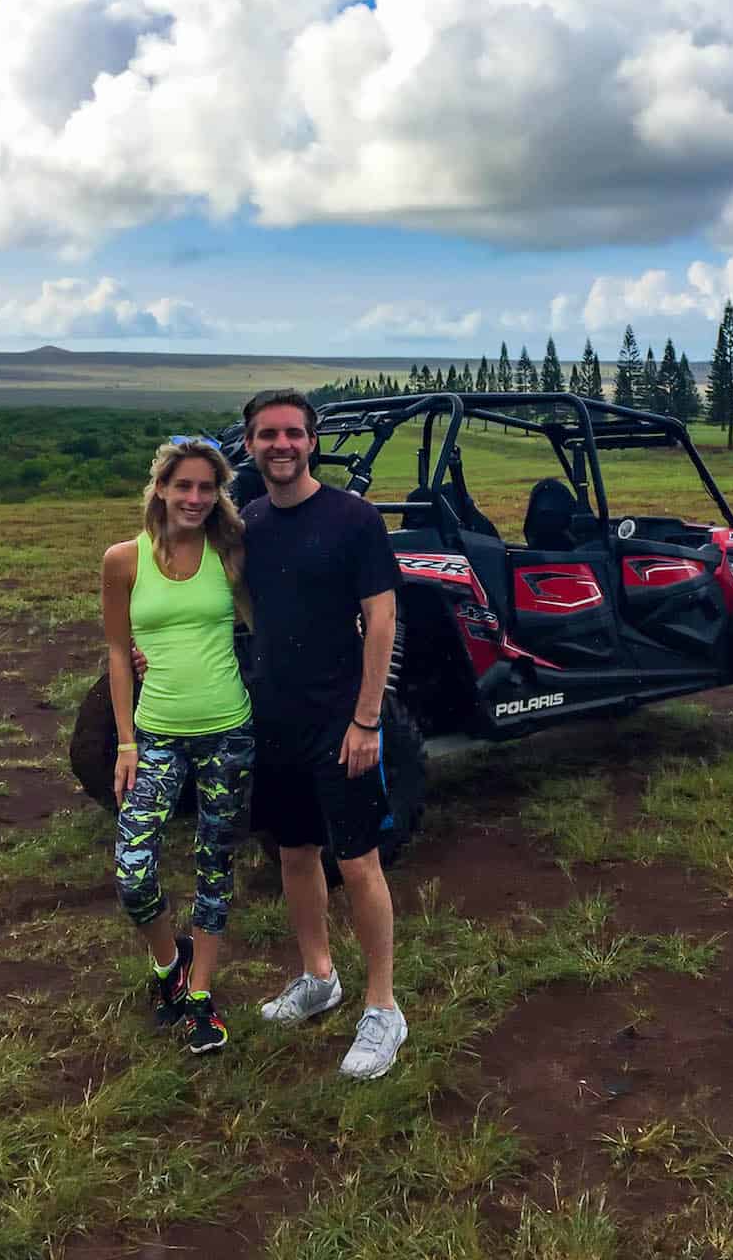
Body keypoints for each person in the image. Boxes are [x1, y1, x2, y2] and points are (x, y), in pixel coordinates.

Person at [241, 388, 406, 1080]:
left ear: (312, 442)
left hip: (341, 725)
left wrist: (367, 719)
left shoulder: (353, 518)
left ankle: (383, 1009)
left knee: (358, 860)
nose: (280, 445)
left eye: (292, 434)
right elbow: (239, 606)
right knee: (294, 854)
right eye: (266, 435)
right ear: (250, 446)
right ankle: (318, 977)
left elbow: (383, 620)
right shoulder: (246, 523)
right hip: (274, 719)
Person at [103, 437, 254, 1056]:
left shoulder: (232, 554)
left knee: (214, 866)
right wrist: (124, 742)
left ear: (218, 494)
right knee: (133, 871)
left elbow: (269, 622)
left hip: (228, 731)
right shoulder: (124, 560)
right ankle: (169, 964)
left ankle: (199, 996)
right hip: (157, 732)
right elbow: (117, 652)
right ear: (160, 488)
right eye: (182, 485)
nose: (194, 498)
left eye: (206, 487)